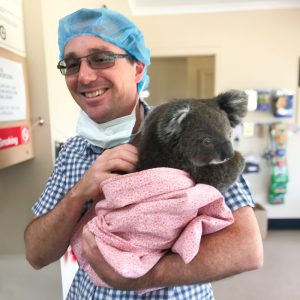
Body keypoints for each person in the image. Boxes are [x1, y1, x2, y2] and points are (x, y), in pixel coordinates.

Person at [24, 7, 263, 300]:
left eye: (101, 58)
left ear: (138, 69)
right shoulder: (72, 152)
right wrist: (80, 193)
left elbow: (246, 250)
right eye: (72, 65)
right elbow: (36, 254)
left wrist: (133, 276)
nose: (84, 77)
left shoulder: (191, 132)